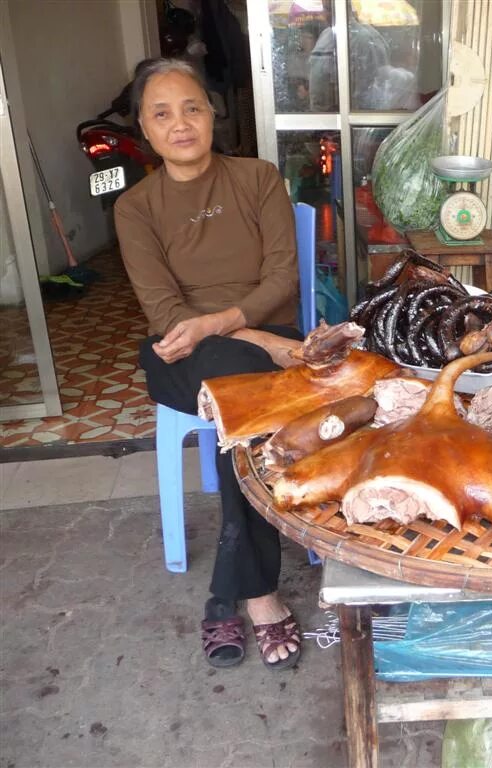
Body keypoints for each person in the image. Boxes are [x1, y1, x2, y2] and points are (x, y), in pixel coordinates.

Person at [115, 58, 303, 670]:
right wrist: (254, 337)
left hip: (254, 343)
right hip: (179, 350)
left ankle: (235, 590)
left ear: (212, 111)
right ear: (145, 129)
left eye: (191, 107)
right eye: (162, 113)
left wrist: (234, 326)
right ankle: (263, 596)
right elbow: (164, 308)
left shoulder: (257, 178)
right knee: (238, 380)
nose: (181, 123)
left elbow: (283, 276)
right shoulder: (135, 207)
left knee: (236, 397)